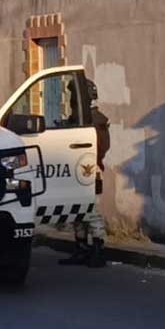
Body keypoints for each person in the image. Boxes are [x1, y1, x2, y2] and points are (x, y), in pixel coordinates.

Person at [59, 79, 112, 268]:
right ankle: (81, 248)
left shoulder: (96, 120)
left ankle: (98, 248)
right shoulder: (80, 119)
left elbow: (102, 147)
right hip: (77, 170)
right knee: (77, 211)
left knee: (92, 210)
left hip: (90, 170)